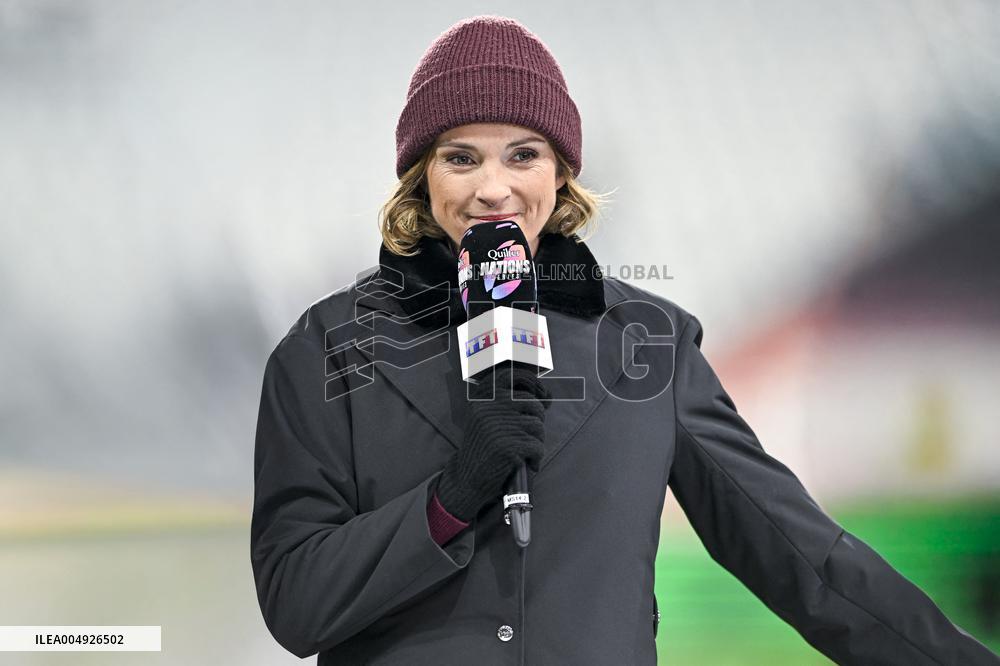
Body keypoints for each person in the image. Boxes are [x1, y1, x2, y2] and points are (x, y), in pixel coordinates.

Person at [250, 15, 998, 665]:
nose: (493, 188)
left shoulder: (649, 343)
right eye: (460, 157)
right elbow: (296, 603)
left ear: (562, 174)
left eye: (523, 154)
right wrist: (451, 498)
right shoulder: (327, 348)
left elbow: (800, 558)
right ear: (419, 177)